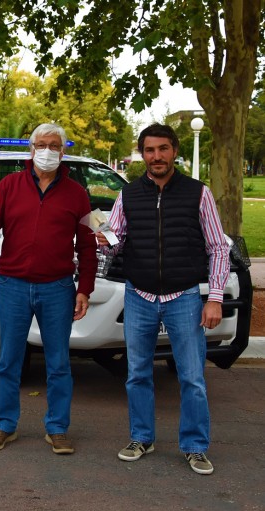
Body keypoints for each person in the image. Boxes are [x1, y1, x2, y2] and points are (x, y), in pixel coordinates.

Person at [96, 123, 230, 475]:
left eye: (163, 149)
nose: (157, 156)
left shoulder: (198, 193)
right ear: (142, 154)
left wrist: (214, 298)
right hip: (138, 295)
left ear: (174, 151)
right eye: (150, 150)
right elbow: (116, 236)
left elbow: (218, 248)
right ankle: (142, 437)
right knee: (137, 373)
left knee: (192, 377)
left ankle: (195, 446)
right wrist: (104, 240)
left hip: (183, 296)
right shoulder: (127, 195)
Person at [0, 123, 97, 455]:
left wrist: (85, 289)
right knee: (8, 360)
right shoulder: (9, 185)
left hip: (57, 288)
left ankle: (58, 428)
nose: (48, 150)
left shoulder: (77, 194)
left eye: (55, 145)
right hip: (12, 286)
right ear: (31, 148)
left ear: (63, 150)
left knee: (59, 362)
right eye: (42, 144)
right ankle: (4, 426)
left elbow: (89, 246)